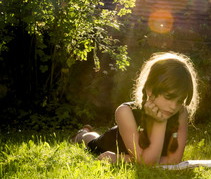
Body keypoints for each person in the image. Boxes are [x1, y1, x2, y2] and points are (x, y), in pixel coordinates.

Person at [71, 52, 199, 166]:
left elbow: (173, 161)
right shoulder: (125, 111)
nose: (173, 106)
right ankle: (81, 133)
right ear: (149, 89)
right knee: (90, 139)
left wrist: (121, 159)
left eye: (180, 101)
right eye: (169, 97)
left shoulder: (180, 112)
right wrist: (160, 122)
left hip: (124, 154)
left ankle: (85, 131)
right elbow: (147, 161)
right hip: (109, 143)